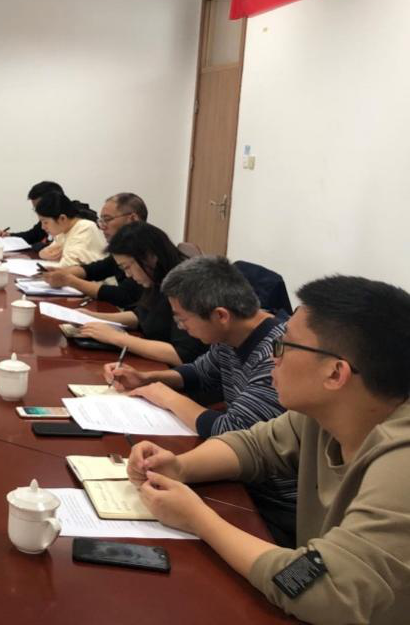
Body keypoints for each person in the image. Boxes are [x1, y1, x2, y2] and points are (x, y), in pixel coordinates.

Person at [127, 275, 410, 625]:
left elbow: (324, 588)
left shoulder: (402, 461)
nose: (273, 357)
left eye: (284, 345)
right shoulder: (324, 414)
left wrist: (198, 519)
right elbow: (255, 446)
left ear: (335, 374)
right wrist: (180, 467)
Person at [105, 256, 295, 545]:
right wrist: (145, 378)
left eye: (182, 319)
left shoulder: (277, 357)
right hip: (236, 478)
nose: (181, 327)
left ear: (220, 315)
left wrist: (166, 396)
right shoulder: (233, 335)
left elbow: (231, 430)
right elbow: (198, 373)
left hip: (269, 501)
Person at [77, 222, 207, 365]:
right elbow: (141, 316)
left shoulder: (185, 285)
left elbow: (183, 356)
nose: (128, 275)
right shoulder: (157, 277)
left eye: (127, 267)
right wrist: (92, 317)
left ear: (151, 256)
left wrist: (116, 338)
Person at [42, 192, 146, 308]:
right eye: (101, 220)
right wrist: (62, 272)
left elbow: (125, 296)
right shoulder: (124, 247)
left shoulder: (146, 248)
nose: (102, 227)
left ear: (132, 219)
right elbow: (96, 269)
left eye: (107, 219)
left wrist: (70, 280)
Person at [32, 192, 107, 266]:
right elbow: (48, 251)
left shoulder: (85, 228)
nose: (43, 227)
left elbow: (67, 266)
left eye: (45, 222)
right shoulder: (63, 230)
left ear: (62, 218)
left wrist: (46, 255)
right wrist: (42, 254)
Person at [0, 180, 65, 252]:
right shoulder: (46, 219)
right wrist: (9, 235)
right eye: (35, 209)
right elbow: (32, 235)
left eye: (39, 208)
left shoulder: (68, 223)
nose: (38, 212)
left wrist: (41, 246)